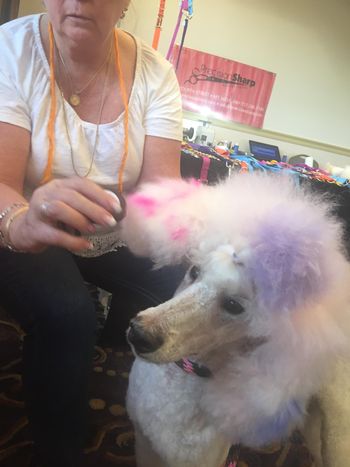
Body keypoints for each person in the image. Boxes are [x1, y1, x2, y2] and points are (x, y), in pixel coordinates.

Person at [0, 1, 185, 466]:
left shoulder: (156, 74)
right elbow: (2, 180)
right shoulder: (11, 50)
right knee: (67, 314)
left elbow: (161, 190)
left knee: (177, 282)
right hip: (25, 219)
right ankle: (56, 450)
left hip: (111, 228)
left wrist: (200, 227)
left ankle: (114, 360)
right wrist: (21, 220)